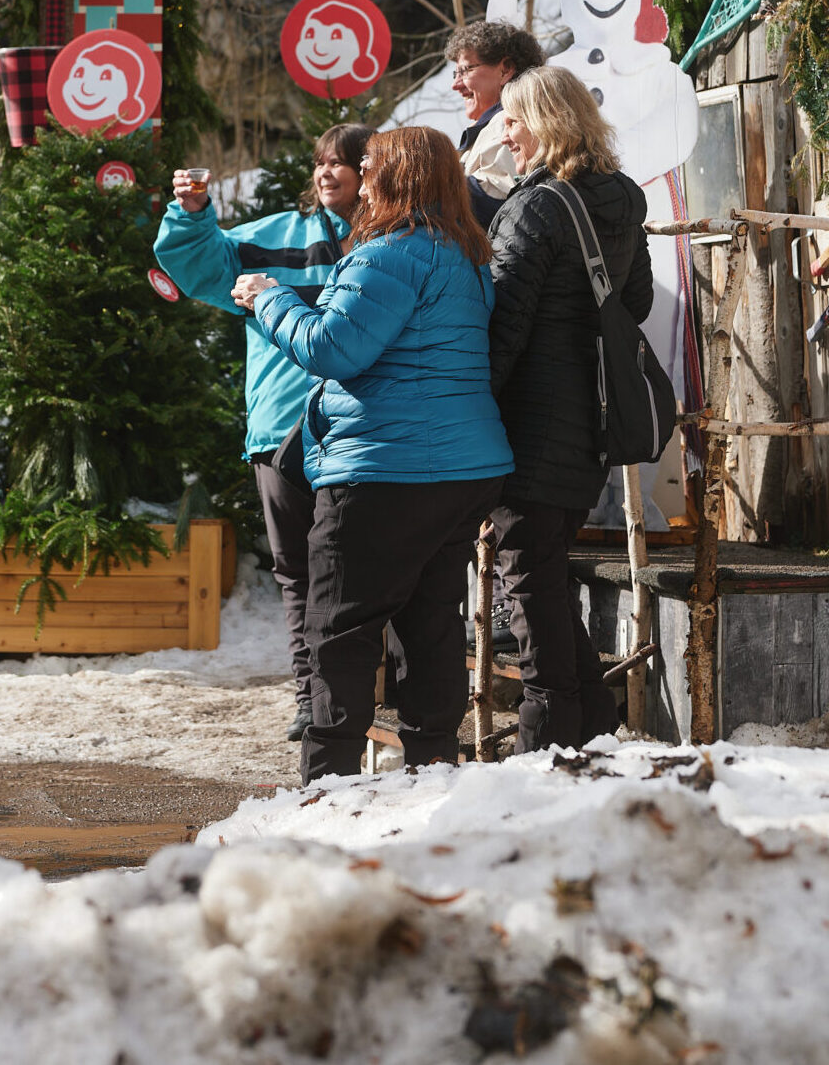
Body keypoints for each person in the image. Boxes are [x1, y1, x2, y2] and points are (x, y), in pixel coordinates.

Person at [233, 127, 511, 781]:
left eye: (369, 165)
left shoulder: (387, 255)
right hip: (463, 471)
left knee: (339, 627)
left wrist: (268, 298)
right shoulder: (465, 256)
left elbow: (335, 350)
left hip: (384, 470)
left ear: (392, 178)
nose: (360, 175)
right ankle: (432, 768)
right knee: (430, 626)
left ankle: (327, 787)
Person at [156, 124, 373, 742]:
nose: (327, 172)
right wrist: (192, 212)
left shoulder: (392, 240)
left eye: (343, 163)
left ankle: (369, 698)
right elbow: (200, 267)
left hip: (365, 431)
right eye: (321, 162)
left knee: (365, 572)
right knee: (299, 573)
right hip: (282, 430)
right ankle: (312, 702)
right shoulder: (273, 236)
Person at [486, 65, 656, 750]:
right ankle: (593, 724)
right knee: (545, 579)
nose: (506, 131)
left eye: (514, 118)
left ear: (547, 123)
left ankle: (548, 737)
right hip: (592, 418)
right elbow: (635, 303)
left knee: (528, 584)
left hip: (529, 423)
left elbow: (502, 329)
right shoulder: (621, 199)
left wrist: (471, 416)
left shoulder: (535, 208)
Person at [444, 20, 544, 228]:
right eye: (455, 74)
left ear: (505, 70)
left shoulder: (510, 122)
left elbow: (494, 200)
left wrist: (425, 178)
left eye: (465, 71)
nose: (455, 85)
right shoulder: (494, 124)